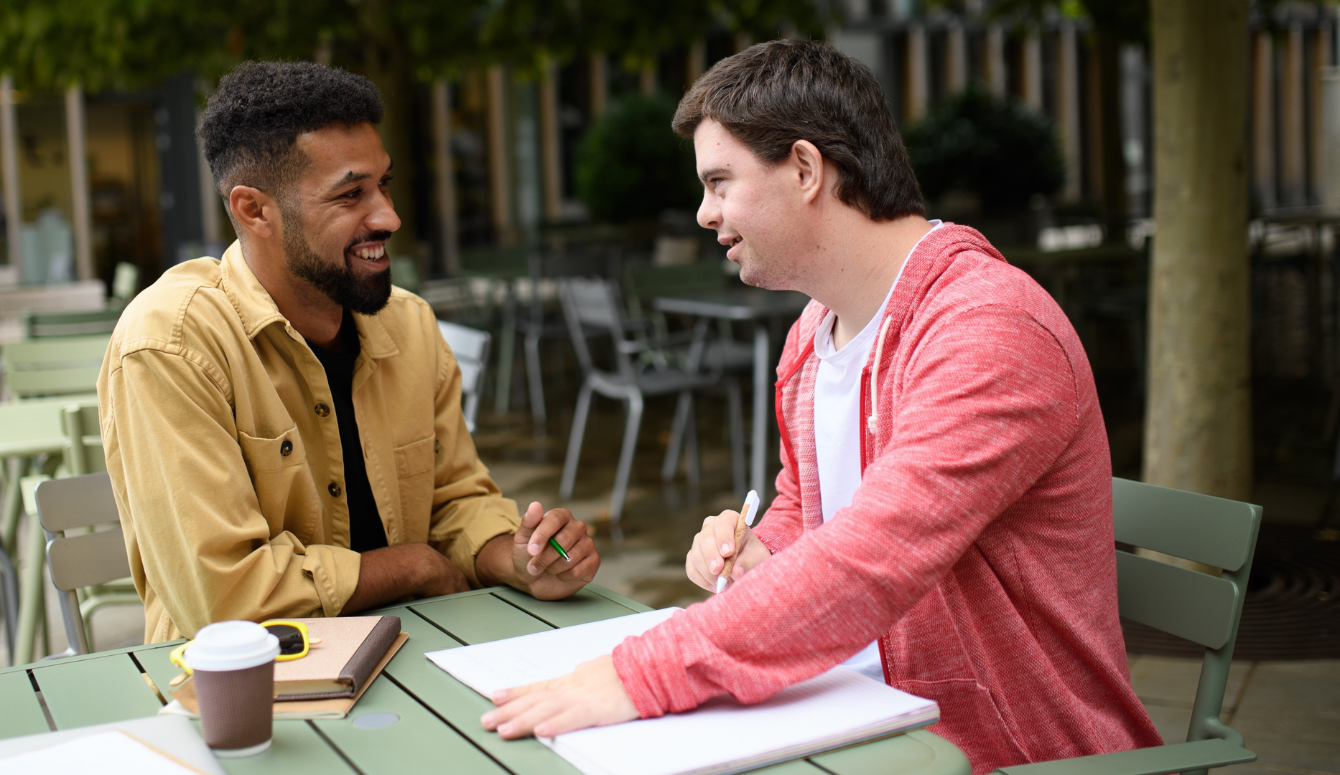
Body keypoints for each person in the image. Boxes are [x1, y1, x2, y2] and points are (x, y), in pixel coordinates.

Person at [480, 39, 1162, 772]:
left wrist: (638, 674)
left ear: (806, 170)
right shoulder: (814, 331)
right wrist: (764, 549)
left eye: (719, 182)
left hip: (1016, 752)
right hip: (867, 718)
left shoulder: (989, 329)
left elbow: (874, 556)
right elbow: (808, 508)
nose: (705, 214)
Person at [98, 61, 599, 642]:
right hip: (251, 686)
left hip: (416, 653)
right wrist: (410, 567)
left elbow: (455, 501)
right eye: (351, 194)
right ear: (254, 210)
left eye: (385, 184)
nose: (389, 216)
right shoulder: (171, 344)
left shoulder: (408, 324)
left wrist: (516, 556)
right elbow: (224, 599)